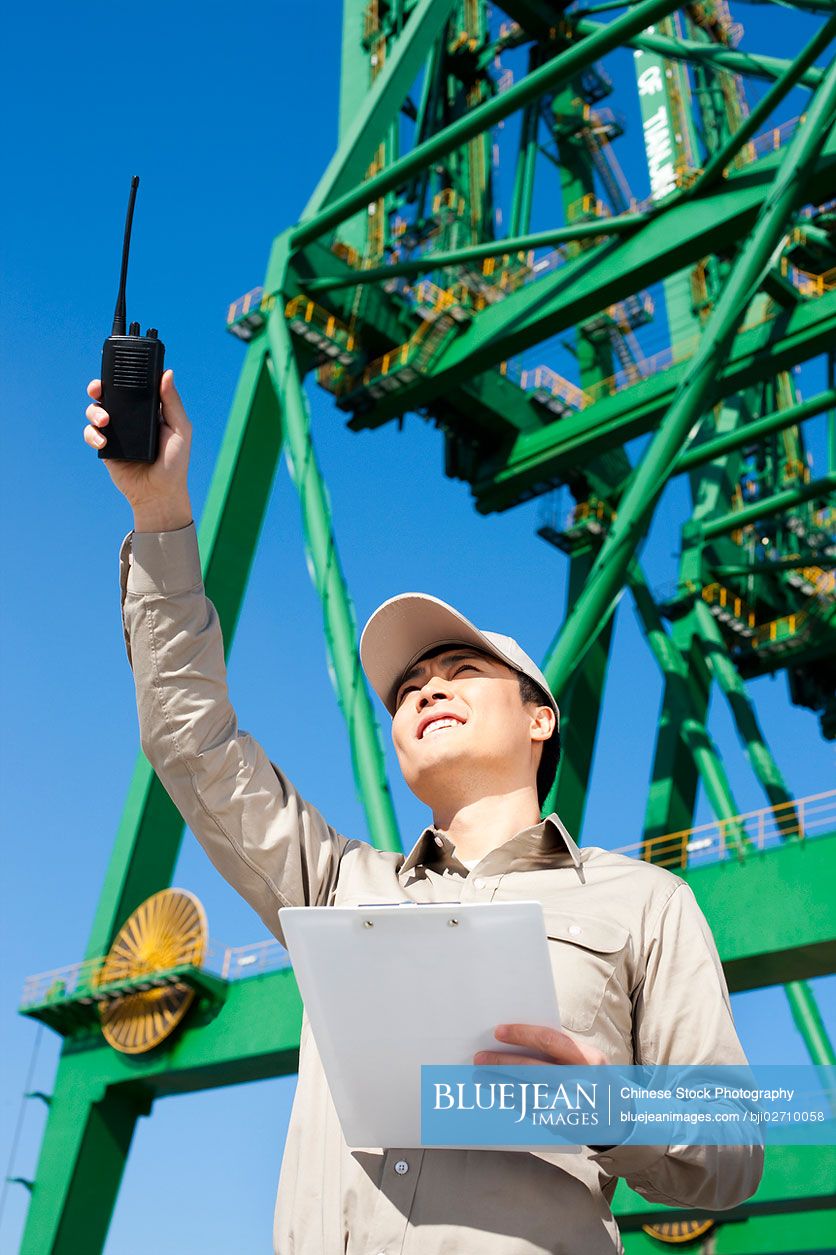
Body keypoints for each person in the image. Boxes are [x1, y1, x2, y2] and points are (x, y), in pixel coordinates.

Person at [84, 372, 764, 1254]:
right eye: (408, 687)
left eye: (462, 670)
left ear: (540, 717)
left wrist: (615, 1102)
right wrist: (159, 514)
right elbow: (190, 743)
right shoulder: (333, 886)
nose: (426, 685)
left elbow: (735, 1150)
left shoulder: (645, 902)